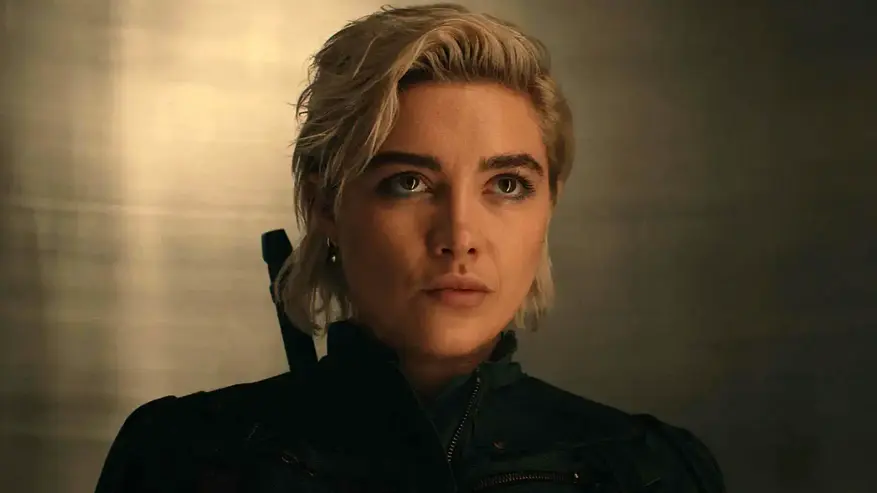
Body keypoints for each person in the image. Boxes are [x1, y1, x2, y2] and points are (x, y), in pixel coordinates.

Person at [95, 4, 725, 492]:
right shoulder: (182, 458)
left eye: (507, 185)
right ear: (325, 204)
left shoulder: (652, 472)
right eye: (409, 183)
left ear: (549, 204)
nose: (460, 238)